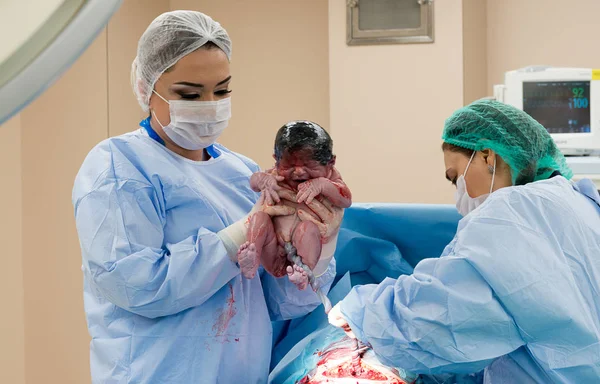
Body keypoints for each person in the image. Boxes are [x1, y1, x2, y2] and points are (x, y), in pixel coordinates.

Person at [72, 11, 337, 383]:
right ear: (147, 87)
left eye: (222, 90)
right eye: (189, 94)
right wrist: (242, 235)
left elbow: (280, 302)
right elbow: (138, 286)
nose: (210, 104)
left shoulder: (242, 173)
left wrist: (317, 251)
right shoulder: (119, 167)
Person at [328, 99, 600, 383]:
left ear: (487, 157)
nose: (458, 192)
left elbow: (444, 315)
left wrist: (360, 310)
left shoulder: (509, 213)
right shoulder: (578, 200)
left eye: (455, 176)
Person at [239, 121, 352, 291]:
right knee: (259, 218)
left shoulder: (331, 179)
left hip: (304, 250)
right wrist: (263, 180)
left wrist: (322, 185)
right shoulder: (275, 176)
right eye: (289, 165)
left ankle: (304, 272)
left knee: (307, 228)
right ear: (276, 161)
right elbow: (254, 182)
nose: (298, 171)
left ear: (331, 163)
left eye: (310, 166)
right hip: (273, 250)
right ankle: (252, 256)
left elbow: (346, 199)